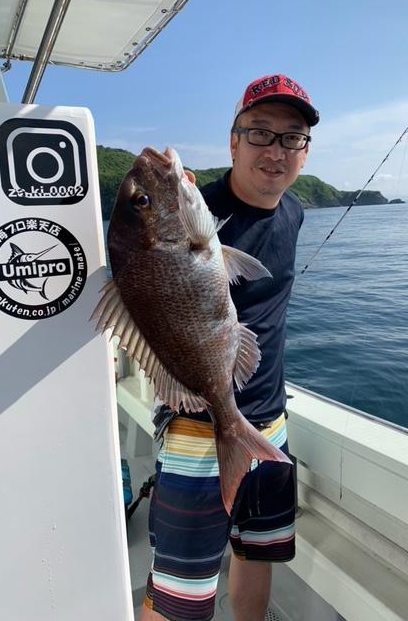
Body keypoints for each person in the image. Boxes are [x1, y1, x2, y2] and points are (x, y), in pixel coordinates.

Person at [138, 73, 319, 621]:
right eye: (259, 132)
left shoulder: (294, 211)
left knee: (255, 554)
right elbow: (138, 271)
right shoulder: (191, 215)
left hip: (268, 422)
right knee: (178, 596)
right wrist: (169, 201)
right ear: (233, 142)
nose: (275, 151)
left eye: (292, 137)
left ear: (305, 152)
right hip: (197, 427)